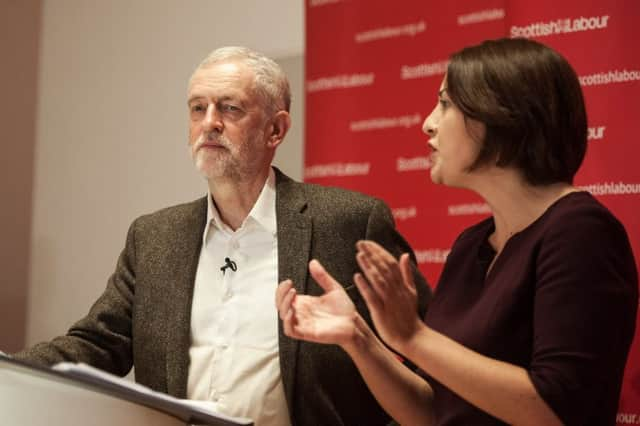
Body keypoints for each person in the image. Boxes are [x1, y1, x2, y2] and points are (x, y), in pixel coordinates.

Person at [12, 46, 431, 426]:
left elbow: (429, 352)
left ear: (275, 129)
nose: (209, 123)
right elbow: (99, 344)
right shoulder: (154, 237)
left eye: (229, 109)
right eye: (197, 108)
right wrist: (9, 371)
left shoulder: (350, 222)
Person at [276, 38, 638, 425]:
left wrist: (414, 337)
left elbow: (559, 409)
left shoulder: (581, 233)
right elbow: (432, 414)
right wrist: (358, 337)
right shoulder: (472, 245)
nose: (428, 123)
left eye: (446, 104)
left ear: (502, 115)